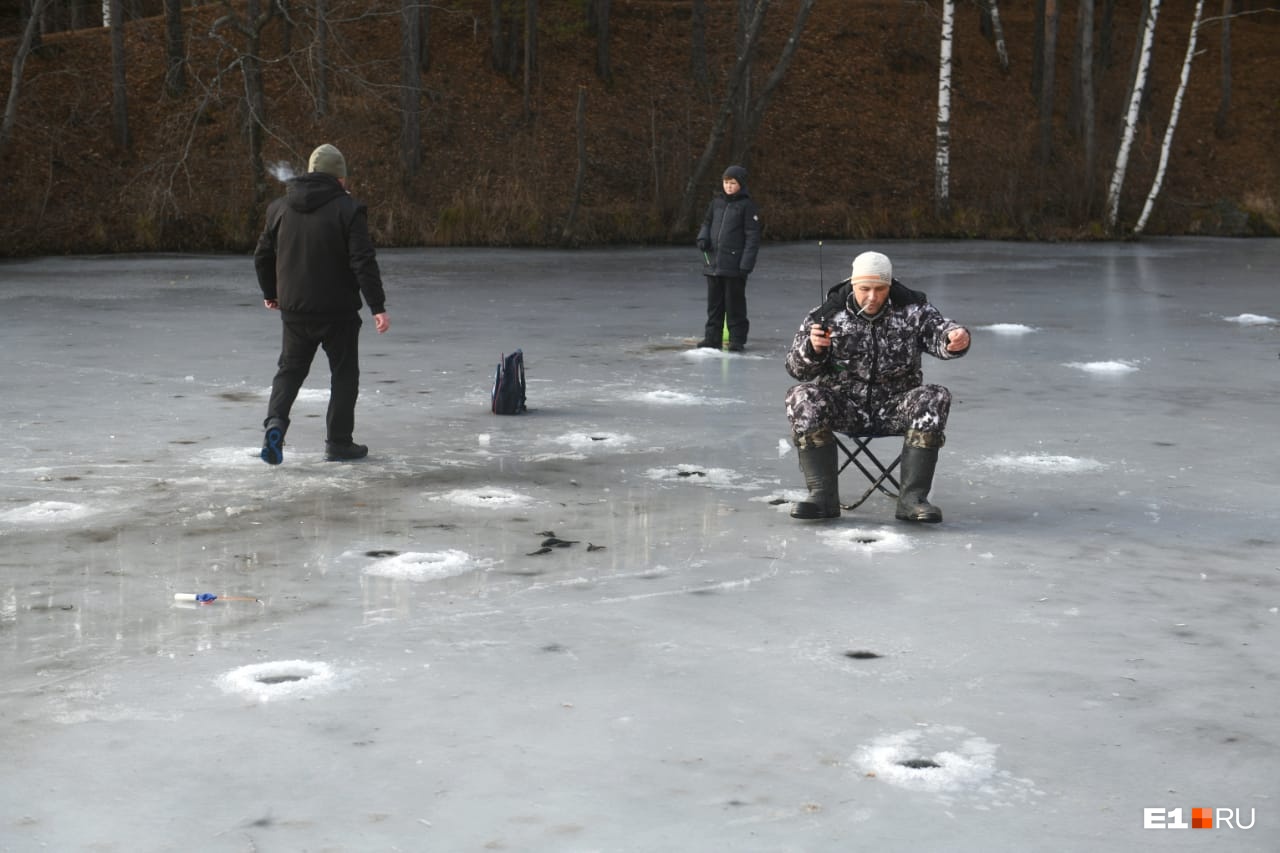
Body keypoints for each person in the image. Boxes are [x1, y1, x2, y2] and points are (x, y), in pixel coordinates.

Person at [783, 250, 970, 522]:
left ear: (890, 286)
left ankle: (912, 500)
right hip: (844, 405)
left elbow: (940, 333)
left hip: (896, 406)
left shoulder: (913, 311)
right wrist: (812, 350)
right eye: (865, 288)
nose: (872, 297)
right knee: (802, 397)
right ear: (853, 284)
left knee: (934, 396)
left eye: (880, 289)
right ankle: (822, 496)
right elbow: (796, 370)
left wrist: (955, 339)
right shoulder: (826, 315)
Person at [253, 143, 390, 465]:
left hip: (295, 311)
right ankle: (339, 443)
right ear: (340, 177)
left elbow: (262, 255)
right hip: (338, 312)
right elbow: (363, 262)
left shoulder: (279, 208)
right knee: (344, 376)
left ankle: (275, 425)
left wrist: (271, 293)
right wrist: (378, 306)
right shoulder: (348, 209)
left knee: (289, 372)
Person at [695, 165, 761, 352]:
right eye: (726, 182)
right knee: (714, 305)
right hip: (714, 262)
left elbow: (752, 237)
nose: (729, 186)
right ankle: (712, 338)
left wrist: (745, 264)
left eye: (732, 183)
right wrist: (702, 238)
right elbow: (707, 223)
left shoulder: (747, 206)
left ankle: (737, 339)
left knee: (734, 305)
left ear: (740, 184)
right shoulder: (716, 203)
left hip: (735, 265)